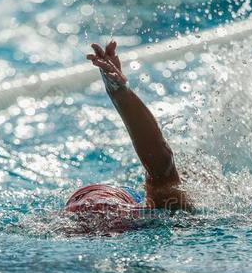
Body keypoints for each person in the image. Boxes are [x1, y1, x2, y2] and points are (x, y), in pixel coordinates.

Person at [64, 41, 193, 219]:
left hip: (87, 204)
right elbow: (158, 155)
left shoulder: (168, 201)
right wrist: (120, 93)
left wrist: (120, 93)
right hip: (94, 205)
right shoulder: (172, 206)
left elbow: (160, 157)